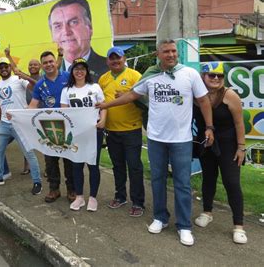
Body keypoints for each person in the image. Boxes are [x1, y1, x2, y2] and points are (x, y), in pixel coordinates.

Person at [97, 39, 214, 246]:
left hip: (181, 139)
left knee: (182, 183)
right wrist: (107, 104)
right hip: (156, 138)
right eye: (166, 52)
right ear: (158, 55)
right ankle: (160, 217)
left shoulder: (189, 74)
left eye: (173, 51)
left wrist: (209, 127)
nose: (171, 55)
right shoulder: (151, 75)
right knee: (157, 180)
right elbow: (132, 95)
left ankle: (184, 226)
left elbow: (203, 101)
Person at [193, 62, 247, 244]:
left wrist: (241, 148)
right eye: (211, 75)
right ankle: (207, 212)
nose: (216, 78)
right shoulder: (196, 95)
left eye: (219, 76)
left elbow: (240, 123)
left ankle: (238, 225)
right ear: (203, 77)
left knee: (231, 182)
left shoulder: (229, 95)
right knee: (208, 178)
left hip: (229, 146)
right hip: (207, 144)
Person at [0, 57, 43, 195]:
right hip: (4, 123)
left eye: (6, 67)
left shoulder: (18, 80)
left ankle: (37, 181)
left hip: (19, 122)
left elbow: (36, 87)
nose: (4, 69)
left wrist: (26, 77)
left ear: (10, 67)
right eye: (1, 67)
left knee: (28, 153)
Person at [98, 46, 145, 217]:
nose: (115, 61)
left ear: (124, 58)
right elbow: (99, 101)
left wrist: (129, 94)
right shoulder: (103, 79)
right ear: (107, 61)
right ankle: (120, 196)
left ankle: (138, 202)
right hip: (111, 130)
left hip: (131, 129)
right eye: (112, 58)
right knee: (117, 166)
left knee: (134, 166)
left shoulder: (135, 76)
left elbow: (144, 97)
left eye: (118, 57)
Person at [29, 51, 75, 203]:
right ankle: (54, 189)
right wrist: (16, 116)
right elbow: (33, 106)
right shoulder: (40, 84)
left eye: (51, 61)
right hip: (48, 127)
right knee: (50, 161)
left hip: (69, 125)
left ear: (56, 62)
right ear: (42, 66)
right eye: (45, 63)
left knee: (69, 159)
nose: (48, 65)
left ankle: (72, 189)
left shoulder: (69, 77)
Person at [60, 58, 106, 212]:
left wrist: (103, 120)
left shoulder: (95, 87)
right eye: (76, 69)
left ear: (87, 71)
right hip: (76, 134)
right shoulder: (66, 90)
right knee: (77, 164)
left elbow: (103, 107)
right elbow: (64, 112)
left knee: (93, 164)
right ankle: (79, 197)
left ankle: (93, 197)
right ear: (72, 72)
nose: (79, 71)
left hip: (94, 132)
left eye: (82, 69)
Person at [48, 0, 107, 82]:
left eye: (73, 22)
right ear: (52, 35)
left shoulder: (109, 69)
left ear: (90, 27)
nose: (66, 32)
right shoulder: (50, 74)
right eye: (58, 26)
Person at [5, 46, 42, 175]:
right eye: (30, 65)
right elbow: (15, 69)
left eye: (35, 65)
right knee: (26, 140)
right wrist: (9, 56)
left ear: (40, 66)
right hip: (27, 114)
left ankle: (49, 168)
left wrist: (25, 77)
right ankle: (27, 166)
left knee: (45, 141)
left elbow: (37, 86)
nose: (32, 66)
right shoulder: (24, 77)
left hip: (41, 114)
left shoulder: (43, 78)